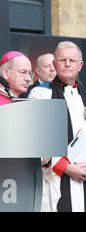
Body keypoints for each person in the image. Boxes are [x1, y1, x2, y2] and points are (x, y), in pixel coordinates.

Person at [29, 41, 86, 212]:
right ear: (54, 64)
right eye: (62, 60)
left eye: (72, 60)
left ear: (80, 65)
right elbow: (33, 141)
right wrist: (66, 168)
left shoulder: (83, 95)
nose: (67, 64)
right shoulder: (40, 94)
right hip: (54, 180)